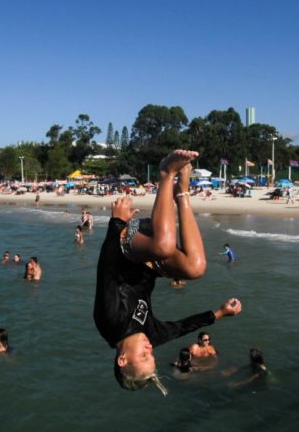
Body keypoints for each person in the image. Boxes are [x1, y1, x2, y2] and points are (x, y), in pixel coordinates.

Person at [93, 150, 242, 392]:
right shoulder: (150, 336)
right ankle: (181, 192)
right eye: (151, 356)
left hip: (126, 246)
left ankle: (165, 173)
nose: (149, 350)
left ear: (122, 360)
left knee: (163, 246)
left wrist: (116, 223)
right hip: (151, 263)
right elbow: (181, 327)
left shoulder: (110, 321)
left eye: (143, 356)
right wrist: (220, 313)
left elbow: (106, 270)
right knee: (195, 267)